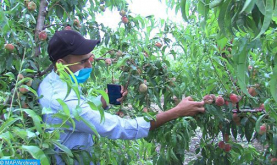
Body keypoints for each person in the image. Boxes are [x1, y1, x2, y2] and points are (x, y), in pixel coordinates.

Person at [37, 30, 205, 164]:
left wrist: (104, 101)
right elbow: (120, 128)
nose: (90, 65)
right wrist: (177, 111)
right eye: (83, 61)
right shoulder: (61, 99)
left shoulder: (54, 81)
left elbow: (80, 112)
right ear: (61, 63)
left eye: (91, 58)